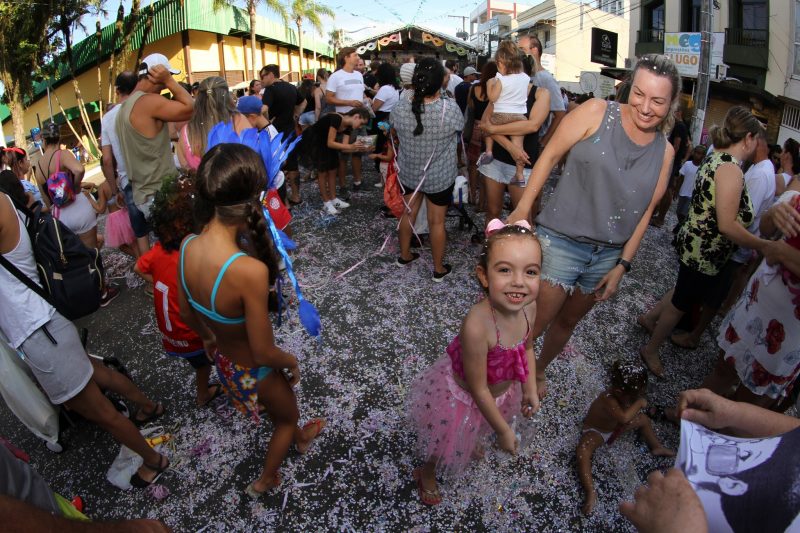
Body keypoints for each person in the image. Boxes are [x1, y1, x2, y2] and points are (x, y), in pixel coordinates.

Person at [507, 54, 678, 398]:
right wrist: (523, 207)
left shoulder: (666, 152)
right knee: (533, 324)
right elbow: (551, 154)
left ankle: (538, 371)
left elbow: (645, 213)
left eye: (658, 100)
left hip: (606, 257)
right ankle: (507, 378)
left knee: (568, 323)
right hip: (560, 242)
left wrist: (622, 265)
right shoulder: (597, 112)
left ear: (672, 103)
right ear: (629, 87)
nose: (645, 107)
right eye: (639, 94)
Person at [176, 144, 324, 498]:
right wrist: (290, 361)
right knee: (286, 418)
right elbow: (263, 350)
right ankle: (267, 478)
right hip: (255, 369)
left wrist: (209, 339)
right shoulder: (249, 271)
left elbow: (186, 313)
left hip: (226, 365)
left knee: (278, 410)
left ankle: (301, 437)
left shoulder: (187, 245)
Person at [0, 191, 169, 489]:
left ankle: (153, 460)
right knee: (95, 373)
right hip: (47, 322)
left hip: (38, 331)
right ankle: (148, 407)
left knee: (95, 408)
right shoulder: (3, 199)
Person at [639, 107, 784, 378]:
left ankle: (649, 319)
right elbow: (727, 225)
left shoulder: (717, 156)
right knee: (681, 302)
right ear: (749, 138)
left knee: (684, 290)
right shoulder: (730, 169)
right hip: (704, 249)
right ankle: (651, 348)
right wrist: (762, 245)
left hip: (697, 243)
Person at [407, 221, 541, 505]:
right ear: (483, 275)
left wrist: (529, 386)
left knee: (480, 426)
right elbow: (479, 389)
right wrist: (505, 432)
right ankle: (426, 471)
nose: (519, 281)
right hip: (466, 397)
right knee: (444, 440)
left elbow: (528, 346)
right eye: (505, 270)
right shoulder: (478, 325)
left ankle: (474, 438)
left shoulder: (529, 307)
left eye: (530, 272)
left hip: (501, 392)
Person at [700, 181, 800, 409]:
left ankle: (721, 437)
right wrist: (775, 214)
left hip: (789, 330)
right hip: (757, 303)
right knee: (724, 367)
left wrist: (784, 254)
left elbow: (779, 249)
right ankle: (690, 418)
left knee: (750, 399)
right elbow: (766, 229)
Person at [672, 133, 776, 348]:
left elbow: (741, 218)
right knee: (691, 290)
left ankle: (692, 334)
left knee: (709, 295)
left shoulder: (755, 173)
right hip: (719, 244)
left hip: (731, 246)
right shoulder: (740, 167)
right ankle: (674, 325)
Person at [134, 175, 224, 408]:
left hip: (170, 333)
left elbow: (138, 266)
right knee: (211, 359)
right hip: (191, 332)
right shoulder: (191, 258)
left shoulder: (157, 249)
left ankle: (206, 390)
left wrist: (158, 283)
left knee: (201, 363)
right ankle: (205, 394)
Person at [390, 58, 464, 282]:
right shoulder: (449, 108)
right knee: (437, 222)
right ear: (441, 81)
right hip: (439, 176)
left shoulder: (401, 105)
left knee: (407, 213)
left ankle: (404, 255)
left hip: (409, 172)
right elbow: (460, 130)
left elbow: (393, 131)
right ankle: (438, 268)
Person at [116, 53, 193, 255]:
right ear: (156, 75)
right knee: (183, 251)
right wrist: (169, 80)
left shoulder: (123, 108)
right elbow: (191, 107)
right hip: (160, 193)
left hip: (143, 193)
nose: (166, 86)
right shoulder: (148, 102)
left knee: (171, 250)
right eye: (167, 76)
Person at [576, 360, 675, 515]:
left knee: (644, 420)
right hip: (598, 431)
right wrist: (639, 404)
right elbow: (623, 417)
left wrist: (634, 404)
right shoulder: (608, 398)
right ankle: (590, 490)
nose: (634, 399)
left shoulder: (625, 396)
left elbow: (626, 418)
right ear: (619, 391)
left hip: (616, 428)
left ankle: (656, 446)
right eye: (633, 396)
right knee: (583, 451)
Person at [34, 123, 97, 250]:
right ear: (59, 137)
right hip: (79, 210)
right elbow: (79, 170)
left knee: (77, 262)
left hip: (60, 218)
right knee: (92, 255)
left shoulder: (38, 165)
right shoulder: (62, 154)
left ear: (44, 140)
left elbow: (46, 199)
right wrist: (75, 187)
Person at [479, 41, 533, 186]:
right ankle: (520, 175)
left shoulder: (501, 80)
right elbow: (526, 92)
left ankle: (489, 152)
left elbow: (492, 98)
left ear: (501, 64)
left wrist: (490, 84)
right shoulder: (525, 78)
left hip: (501, 115)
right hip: (519, 117)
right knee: (518, 148)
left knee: (487, 126)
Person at [301, 108, 370, 215]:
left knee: (333, 169)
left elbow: (343, 148)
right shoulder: (337, 118)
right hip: (315, 141)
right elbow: (330, 143)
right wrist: (351, 146)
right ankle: (326, 202)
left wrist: (358, 148)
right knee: (322, 172)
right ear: (356, 116)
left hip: (327, 143)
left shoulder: (348, 126)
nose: (360, 127)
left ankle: (333, 199)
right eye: (361, 123)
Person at [101, 71, 140, 253]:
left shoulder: (107, 118)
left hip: (129, 182)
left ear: (117, 91)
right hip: (153, 173)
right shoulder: (144, 106)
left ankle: (153, 277)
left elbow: (107, 160)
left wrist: (115, 190)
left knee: (141, 233)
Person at [177, 76, 250, 172]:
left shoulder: (186, 131)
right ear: (226, 96)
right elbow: (252, 157)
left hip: (201, 186)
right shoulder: (239, 120)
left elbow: (185, 168)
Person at [326, 48, 367, 192]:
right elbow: (329, 98)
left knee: (358, 153)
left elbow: (360, 94)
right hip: (344, 121)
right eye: (355, 55)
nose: (358, 57)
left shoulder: (359, 75)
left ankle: (357, 182)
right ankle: (342, 185)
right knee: (343, 155)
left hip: (360, 120)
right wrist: (349, 103)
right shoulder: (335, 76)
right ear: (346, 57)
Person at [517, 34, 566, 150]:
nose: (518, 54)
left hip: (533, 142)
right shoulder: (521, 76)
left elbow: (560, 114)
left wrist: (543, 142)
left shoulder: (545, 78)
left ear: (534, 50)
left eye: (522, 49)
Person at [465, 62, 497, 210]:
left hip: (476, 129)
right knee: (487, 166)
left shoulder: (473, 88)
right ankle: (483, 202)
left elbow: (470, 109)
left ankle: (472, 196)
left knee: (472, 165)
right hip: (491, 129)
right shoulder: (497, 90)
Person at [651, 107, 690, 227]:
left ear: (679, 112)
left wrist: (669, 159)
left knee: (667, 189)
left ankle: (660, 218)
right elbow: (689, 144)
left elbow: (677, 145)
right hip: (675, 161)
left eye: (673, 111)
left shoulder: (679, 126)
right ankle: (657, 214)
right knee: (665, 188)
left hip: (672, 162)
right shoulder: (682, 126)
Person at [82, 180, 137, 258]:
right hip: (127, 212)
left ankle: (141, 261)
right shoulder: (118, 180)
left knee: (127, 244)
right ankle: (141, 260)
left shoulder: (103, 186)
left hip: (116, 218)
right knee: (133, 241)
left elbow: (101, 209)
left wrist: (89, 198)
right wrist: (95, 186)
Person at [371, 62, 400, 165]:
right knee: (387, 146)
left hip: (380, 120)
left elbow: (374, 108)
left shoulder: (385, 89)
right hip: (389, 119)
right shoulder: (395, 88)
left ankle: (381, 172)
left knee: (379, 146)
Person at [674, 144, 706, 229]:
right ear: (693, 153)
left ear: (704, 156)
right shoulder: (687, 164)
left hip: (692, 195)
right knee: (678, 211)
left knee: (684, 213)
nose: (698, 155)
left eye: (701, 154)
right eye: (697, 153)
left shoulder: (703, 168)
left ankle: (680, 227)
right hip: (683, 191)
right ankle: (681, 224)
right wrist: (676, 190)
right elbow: (681, 179)